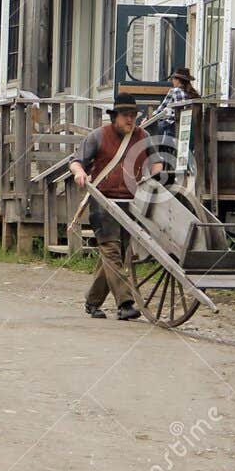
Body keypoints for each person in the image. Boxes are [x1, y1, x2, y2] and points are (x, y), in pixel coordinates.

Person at [69, 94, 164, 322]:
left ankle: (92, 301)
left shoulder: (144, 136)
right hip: (103, 201)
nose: (130, 120)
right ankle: (125, 303)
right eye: (125, 116)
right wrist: (80, 173)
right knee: (111, 250)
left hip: (132, 203)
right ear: (115, 117)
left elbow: (157, 161)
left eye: (133, 116)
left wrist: (156, 177)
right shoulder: (98, 136)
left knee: (114, 255)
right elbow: (75, 160)